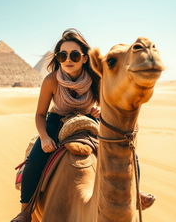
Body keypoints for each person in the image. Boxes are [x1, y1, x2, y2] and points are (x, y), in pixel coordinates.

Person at [13, 29, 154, 221]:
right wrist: (45, 137)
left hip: (89, 119)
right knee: (35, 160)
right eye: (62, 55)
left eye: (74, 55)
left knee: (128, 152)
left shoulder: (96, 79)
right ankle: (25, 211)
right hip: (57, 122)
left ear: (85, 58)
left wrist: (100, 111)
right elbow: (39, 115)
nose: (68, 59)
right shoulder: (51, 80)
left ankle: (133, 193)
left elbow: (109, 105)